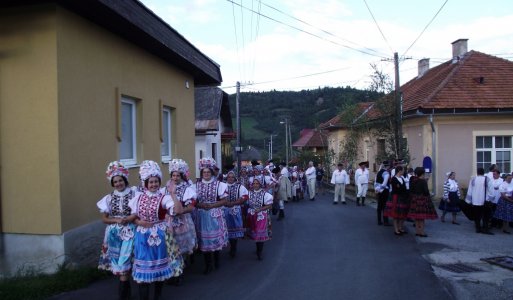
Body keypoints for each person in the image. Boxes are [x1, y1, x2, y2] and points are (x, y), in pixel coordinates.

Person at [129, 160, 183, 300]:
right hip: (142, 236)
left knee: (159, 269)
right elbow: (133, 217)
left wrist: (172, 194)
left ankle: (157, 296)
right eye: (151, 182)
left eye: (156, 181)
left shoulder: (164, 198)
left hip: (159, 235)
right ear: (145, 183)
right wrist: (139, 221)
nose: (154, 184)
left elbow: (178, 210)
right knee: (143, 271)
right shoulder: (138, 197)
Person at [97, 161, 137, 300]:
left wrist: (128, 219)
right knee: (119, 264)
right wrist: (116, 220)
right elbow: (104, 219)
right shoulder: (109, 198)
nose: (118, 183)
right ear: (112, 184)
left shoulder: (134, 193)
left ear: (125, 180)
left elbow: (137, 213)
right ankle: (126, 292)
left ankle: (124, 294)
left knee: (125, 261)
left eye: (120, 180)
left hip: (130, 230)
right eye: (115, 182)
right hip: (114, 233)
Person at [164, 159, 197, 284]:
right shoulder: (165, 188)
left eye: (178, 175)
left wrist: (181, 210)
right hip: (168, 221)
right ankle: (174, 272)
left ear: (182, 176)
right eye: (173, 175)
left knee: (181, 247)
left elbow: (191, 206)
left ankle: (179, 272)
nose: (175, 177)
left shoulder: (187, 189)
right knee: (171, 248)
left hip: (182, 221)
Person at [194, 157, 229, 274]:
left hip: (214, 214)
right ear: (201, 173)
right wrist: (201, 205)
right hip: (202, 216)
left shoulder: (219, 184)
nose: (206, 174)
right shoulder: (196, 185)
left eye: (208, 172)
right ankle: (208, 264)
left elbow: (224, 200)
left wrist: (213, 205)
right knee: (204, 241)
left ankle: (217, 259)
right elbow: (193, 202)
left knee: (214, 240)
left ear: (212, 172)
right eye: (204, 172)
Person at [246, 177, 274, 260]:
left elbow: (269, 205)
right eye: (254, 183)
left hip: (261, 216)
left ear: (260, 184)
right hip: (252, 215)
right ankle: (258, 249)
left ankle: (259, 251)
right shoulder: (249, 193)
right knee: (255, 233)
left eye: (257, 183)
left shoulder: (265, 194)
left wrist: (260, 209)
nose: (255, 185)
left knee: (259, 234)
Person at [224, 170, 249, 258]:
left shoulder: (240, 187)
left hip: (235, 209)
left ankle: (233, 248)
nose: (230, 178)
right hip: (224, 210)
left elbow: (245, 196)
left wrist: (236, 202)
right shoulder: (223, 186)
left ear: (235, 178)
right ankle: (228, 246)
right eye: (229, 177)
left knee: (234, 229)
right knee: (225, 229)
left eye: (232, 177)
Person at [408, 167, 438, 237]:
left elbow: (411, 191)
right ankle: (422, 232)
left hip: (414, 199)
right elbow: (426, 192)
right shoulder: (423, 181)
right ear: (422, 173)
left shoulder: (413, 180)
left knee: (417, 217)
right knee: (421, 218)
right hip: (421, 199)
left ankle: (417, 232)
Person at [465, 168, 493, 234]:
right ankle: (485, 229)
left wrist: (468, 200)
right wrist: (490, 199)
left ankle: (478, 228)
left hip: (475, 201)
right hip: (484, 202)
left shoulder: (473, 179)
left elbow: (470, 190)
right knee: (485, 216)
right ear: (483, 172)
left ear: (477, 173)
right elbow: (491, 191)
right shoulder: (487, 179)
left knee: (477, 216)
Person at [384, 166, 409, 235]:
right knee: (396, 214)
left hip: (402, 198)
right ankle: (396, 229)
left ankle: (400, 228)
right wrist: (401, 188)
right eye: (403, 170)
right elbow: (397, 189)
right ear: (399, 171)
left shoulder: (402, 178)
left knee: (402, 214)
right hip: (396, 197)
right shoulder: (394, 179)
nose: (404, 171)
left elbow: (403, 188)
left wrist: (402, 189)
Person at [374, 161, 391, 225]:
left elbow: (376, 182)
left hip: (379, 190)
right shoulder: (386, 173)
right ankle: (385, 221)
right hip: (384, 190)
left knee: (379, 206)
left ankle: (379, 220)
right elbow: (384, 184)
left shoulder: (378, 172)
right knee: (385, 206)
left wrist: (377, 189)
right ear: (388, 166)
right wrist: (381, 189)